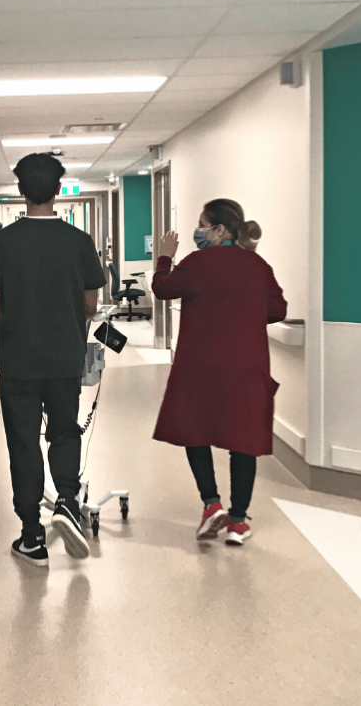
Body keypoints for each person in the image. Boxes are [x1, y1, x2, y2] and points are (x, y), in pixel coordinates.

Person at [0, 153, 107, 566]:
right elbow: (89, 304)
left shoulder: (2, 243)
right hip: (66, 358)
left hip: (18, 363)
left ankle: (32, 535)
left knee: (23, 441)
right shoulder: (79, 242)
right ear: (59, 189)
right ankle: (67, 501)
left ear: (20, 190)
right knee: (65, 431)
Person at [152, 199, 286, 546]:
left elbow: (163, 288)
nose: (199, 231)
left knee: (196, 430)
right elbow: (277, 309)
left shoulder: (197, 262)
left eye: (202, 224)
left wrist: (166, 255)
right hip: (246, 367)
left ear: (219, 230)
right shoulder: (257, 265)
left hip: (200, 366)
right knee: (243, 441)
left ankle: (211, 504)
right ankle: (238, 523)